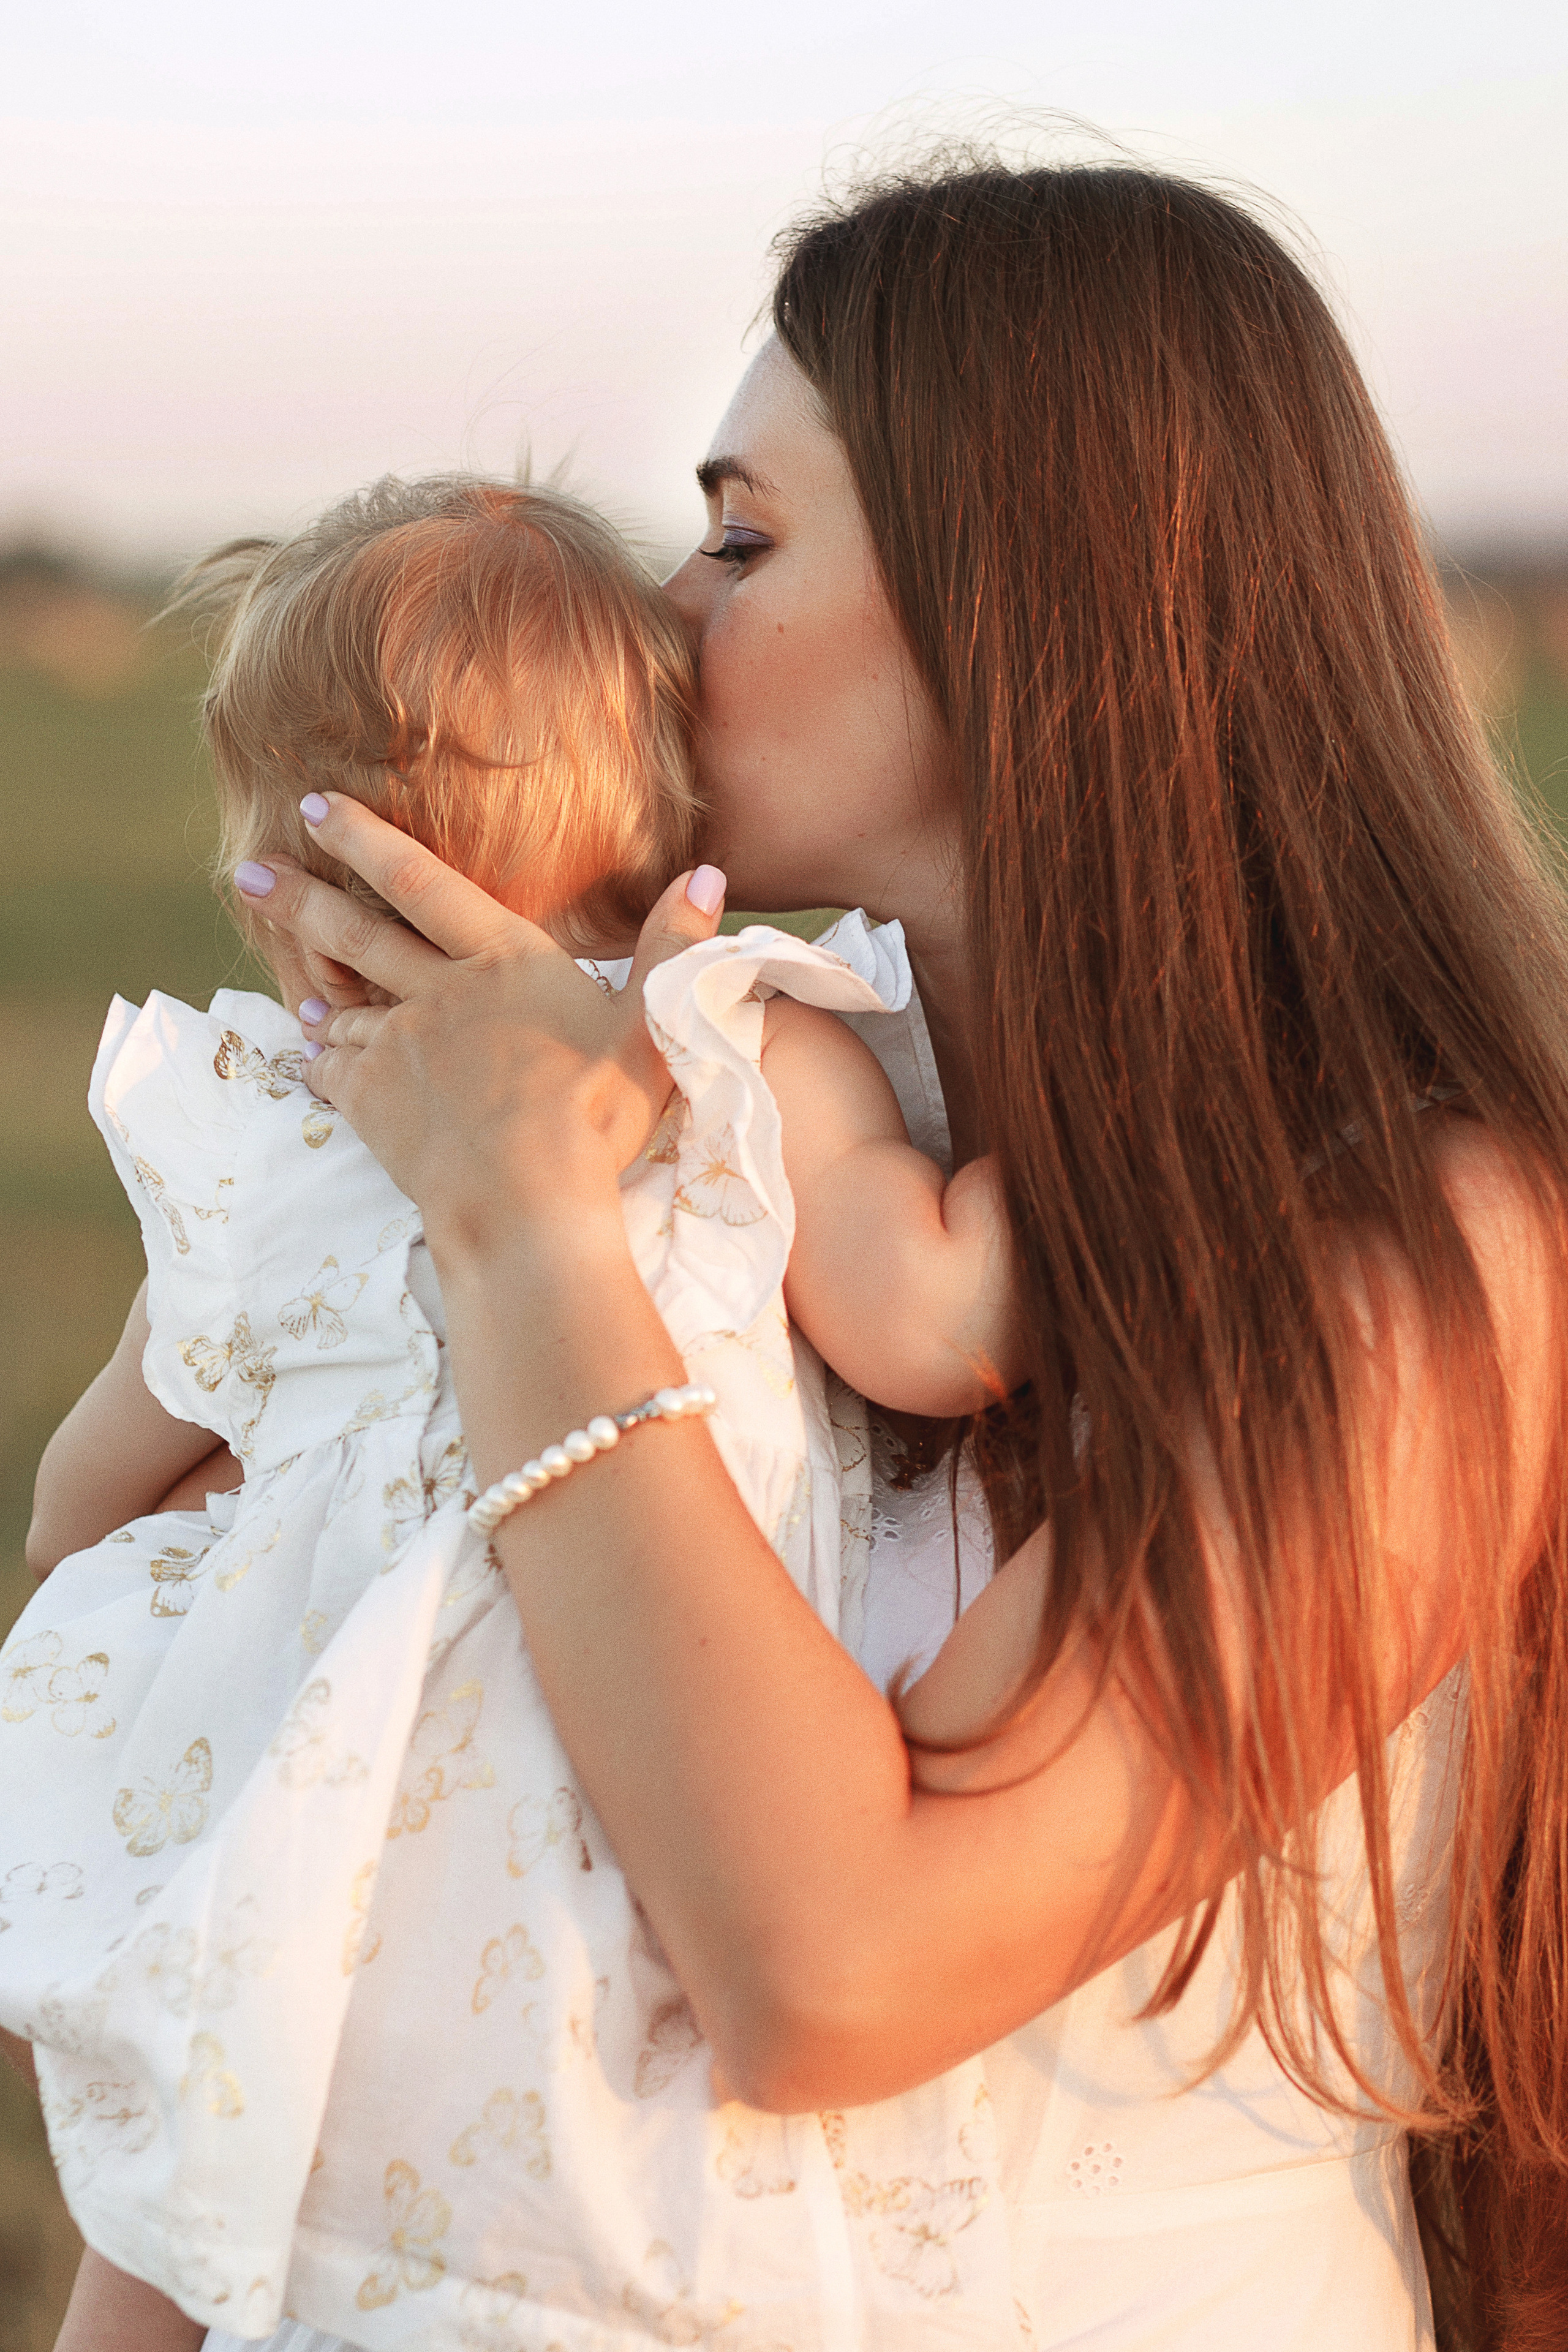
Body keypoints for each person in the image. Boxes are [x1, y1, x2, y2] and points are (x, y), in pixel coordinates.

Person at [203, 157, 1568, 2351]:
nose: (663, 615)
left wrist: (524, 1225)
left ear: (1042, 601)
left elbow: (835, 1971)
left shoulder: (1436, 1255)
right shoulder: (764, 1123)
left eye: (743, 538)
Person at [3, 478, 1022, 2350]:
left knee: (177, 2201)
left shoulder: (265, 1135)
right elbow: (941, 1323)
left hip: (300, 1823)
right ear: (664, 806)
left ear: (296, 873)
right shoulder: (736, 1048)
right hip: (638, 1812)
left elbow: (81, 1499)